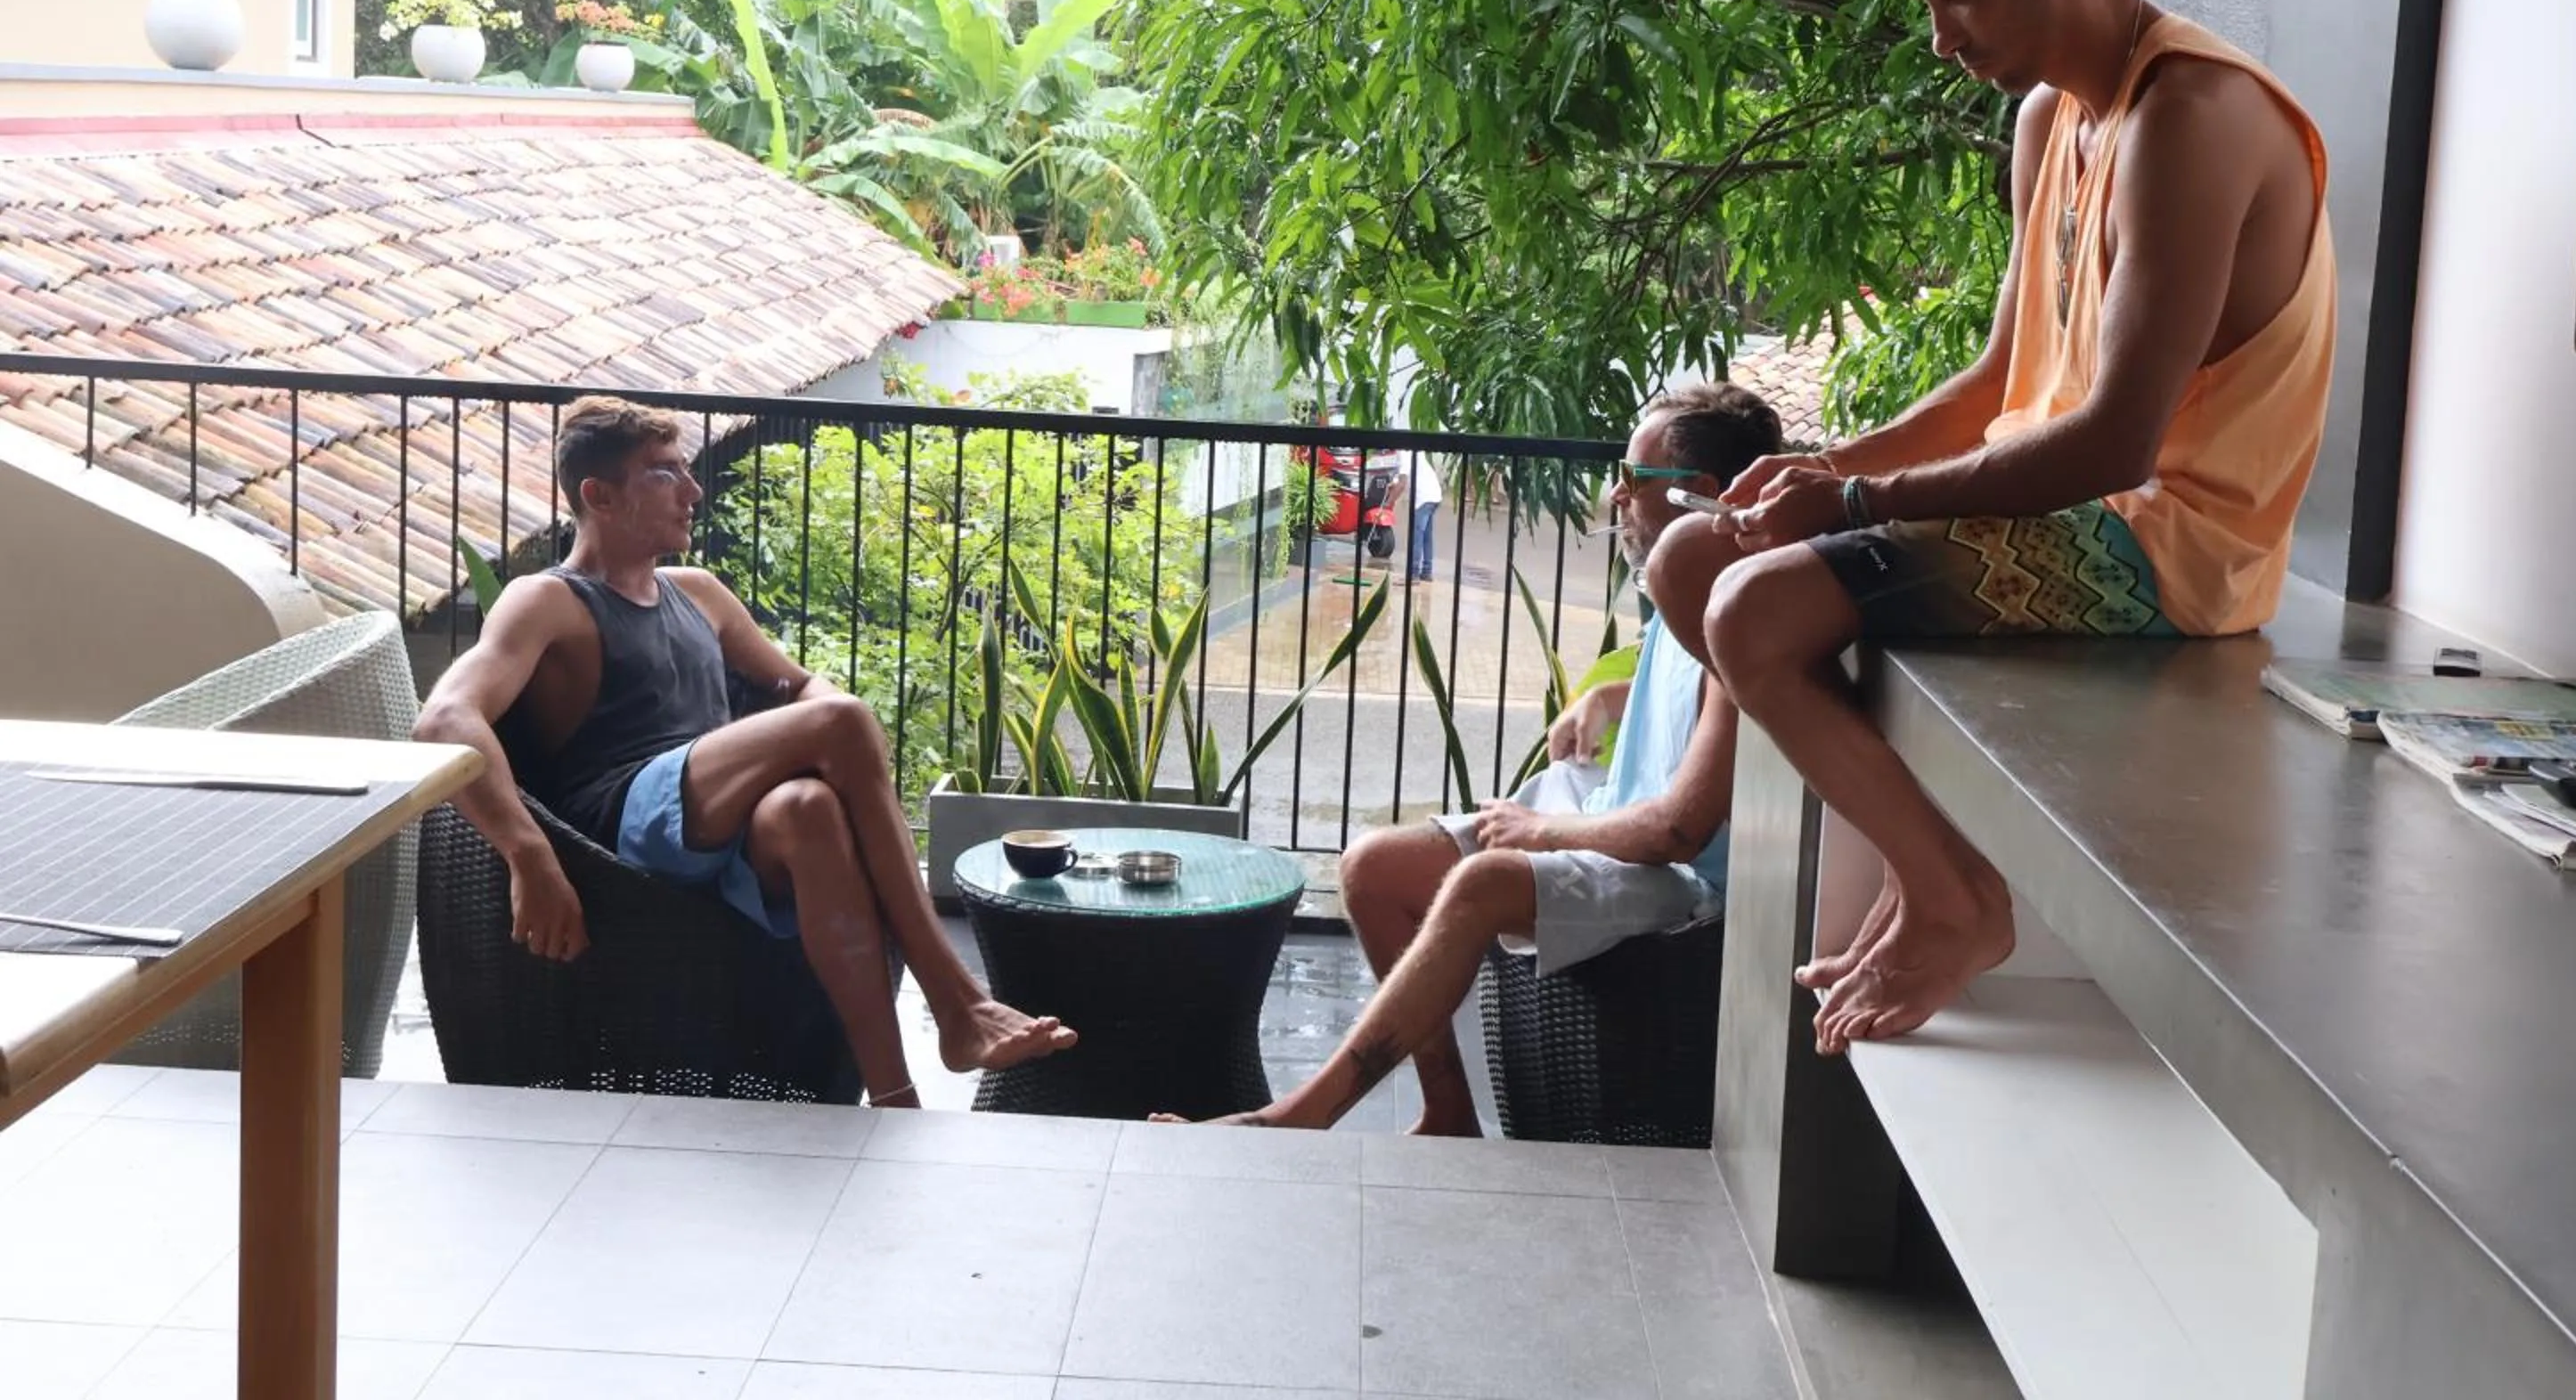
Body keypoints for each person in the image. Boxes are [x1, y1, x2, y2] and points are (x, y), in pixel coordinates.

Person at [1643, 0, 2336, 1056]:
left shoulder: (2194, 115)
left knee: (1753, 608)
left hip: (2164, 551)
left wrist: (1852, 509)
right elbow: (1999, 380)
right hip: (2052, 508)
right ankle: (1932, 873)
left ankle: (1956, 898)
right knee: (1693, 556)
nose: (1937, 37)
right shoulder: (2050, 118)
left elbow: (2118, 444)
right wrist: (1827, 466)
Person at [414, 396, 1078, 1107]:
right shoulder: (547, 600)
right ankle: (958, 1003)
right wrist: (530, 854)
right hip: (619, 822)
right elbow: (445, 718)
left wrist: (818, 709)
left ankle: (891, 1096)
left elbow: (795, 683)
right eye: (665, 474)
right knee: (843, 721)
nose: (694, 493)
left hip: (710, 826)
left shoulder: (698, 592)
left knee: (808, 808)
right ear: (599, 497)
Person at [1162, 382, 1783, 1132]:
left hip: (1678, 886)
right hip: (1615, 821)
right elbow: (1679, 683)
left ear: (1700, 496)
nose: (1615, 497)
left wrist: (1538, 832)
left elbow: (1678, 832)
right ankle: (1447, 1110)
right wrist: (1607, 697)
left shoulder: (1746, 617)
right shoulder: (1683, 586)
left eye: (1633, 479)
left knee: (1483, 879)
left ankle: (1298, 1115)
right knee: (1374, 868)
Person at [1387, 449, 1447, 582]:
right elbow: (1405, 475)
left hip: (1424, 497)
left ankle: (1413, 574)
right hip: (1434, 494)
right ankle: (1427, 571)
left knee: (1416, 536)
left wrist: (1388, 503)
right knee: (1426, 537)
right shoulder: (1413, 449)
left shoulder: (1404, 453)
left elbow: (1402, 484)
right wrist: (1395, 482)